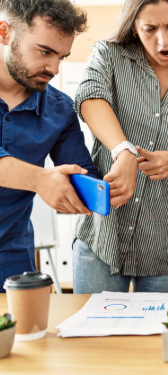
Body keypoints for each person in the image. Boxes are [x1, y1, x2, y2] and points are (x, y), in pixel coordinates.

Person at [72, 0, 168, 293]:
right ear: (135, 28)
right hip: (102, 238)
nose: (163, 40)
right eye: (150, 29)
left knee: (157, 339)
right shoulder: (109, 56)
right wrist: (122, 149)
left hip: (165, 245)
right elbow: (89, 97)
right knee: (95, 339)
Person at [0, 0, 99, 292]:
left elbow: (81, 174)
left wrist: (101, 192)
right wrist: (42, 180)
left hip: (12, 260)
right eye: (45, 51)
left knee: (22, 338)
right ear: (4, 32)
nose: (53, 68)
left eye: (62, 56)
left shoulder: (60, 110)